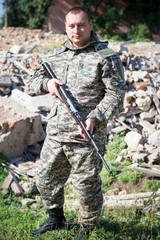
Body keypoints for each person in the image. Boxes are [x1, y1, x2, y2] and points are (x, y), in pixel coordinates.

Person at [30, 7, 125, 239]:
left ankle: (87, 228)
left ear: (91, 25)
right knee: (45, 179)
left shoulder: (107, 56)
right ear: (65, 27)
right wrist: (48, 84)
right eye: (72, 26)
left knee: (86, 187)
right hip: (56, 133)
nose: (76, 30)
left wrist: (95, 116)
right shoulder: (55, 55)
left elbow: (116, 95)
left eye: (81, 25)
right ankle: (55, 219)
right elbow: (32, 82)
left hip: (87, 136)